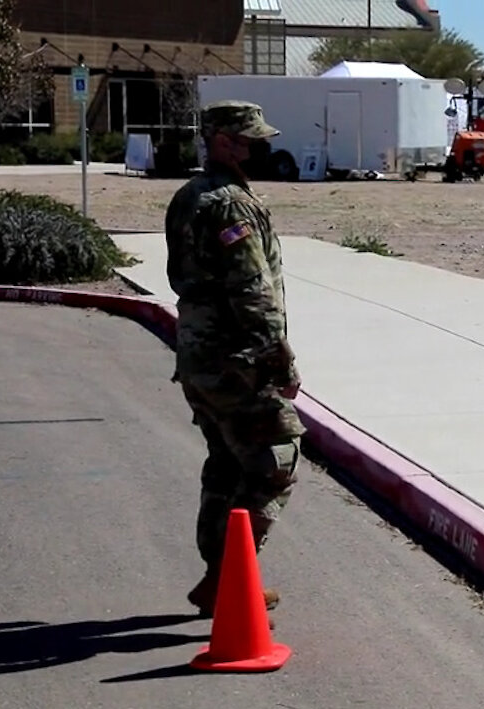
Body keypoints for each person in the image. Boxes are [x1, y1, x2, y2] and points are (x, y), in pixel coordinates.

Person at [163, 100, 305, 618]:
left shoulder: (188, 196)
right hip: (234, 357)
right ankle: (229, 578)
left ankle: (216, 575)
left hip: (199, 355)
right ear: (223, 141)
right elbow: (251, 288)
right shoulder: (229, 204)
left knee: (226, 462)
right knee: (275, 459)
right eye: (248, 140)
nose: (257, 148)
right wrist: (278, 358)